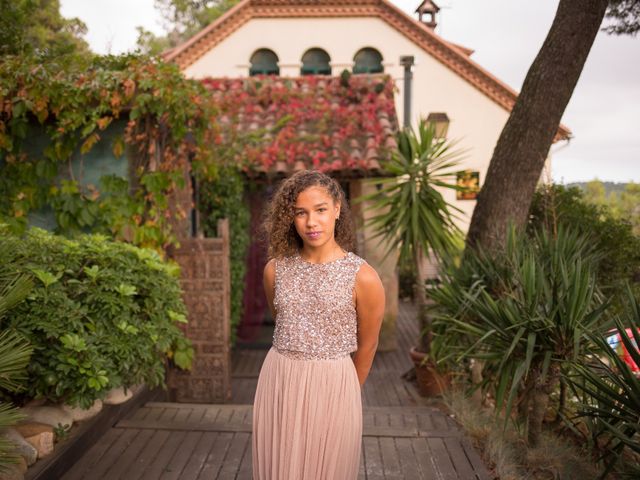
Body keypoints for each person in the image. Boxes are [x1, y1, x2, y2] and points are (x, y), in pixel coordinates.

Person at [252, 169, 385, 479]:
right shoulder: (275, 270)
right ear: (290, 217)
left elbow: (368, 345)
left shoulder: (363, 277)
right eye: (301, 212)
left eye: (321, 210)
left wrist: (346, 391)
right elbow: (283, 318)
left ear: (337, 209)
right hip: (280, 380)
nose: (311, 222)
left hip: (335, 385)